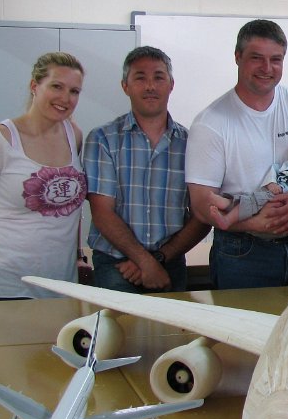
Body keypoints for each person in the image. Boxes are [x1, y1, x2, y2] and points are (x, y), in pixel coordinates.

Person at [185, 19, 288, 289]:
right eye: (256, 58)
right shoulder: (210, 122)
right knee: (241, 319)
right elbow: (201, 203)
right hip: (242, 252)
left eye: (276, 59)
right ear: (237, 57)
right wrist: (254, 223)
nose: (267, 68)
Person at [0, 52, 88, 301]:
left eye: (74, 91)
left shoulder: (73, 135)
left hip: (58, 286)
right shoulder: (0, 139)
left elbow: (69, 208)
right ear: (34, 86)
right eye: (56, 86)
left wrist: (77, 255)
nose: (66, 98)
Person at [83, 46, 211, 293]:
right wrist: (145, 262)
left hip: (170, 262)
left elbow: (203, 215)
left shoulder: (192, 144)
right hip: (115, 266)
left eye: (159, 77)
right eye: (140, 78)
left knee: (171, 321)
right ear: (125, 86)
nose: (150, 86)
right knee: (119, 321)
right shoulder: (102, 139)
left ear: (171, 85)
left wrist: (158, 259)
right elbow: (102, 213)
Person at [206, 132, 288, 232]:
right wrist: (271, 183)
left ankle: (228, 213)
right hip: (273, 195)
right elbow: (273, 171)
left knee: (253, 202)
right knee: (252, 201)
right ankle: (228, 211)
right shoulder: (286, 165)